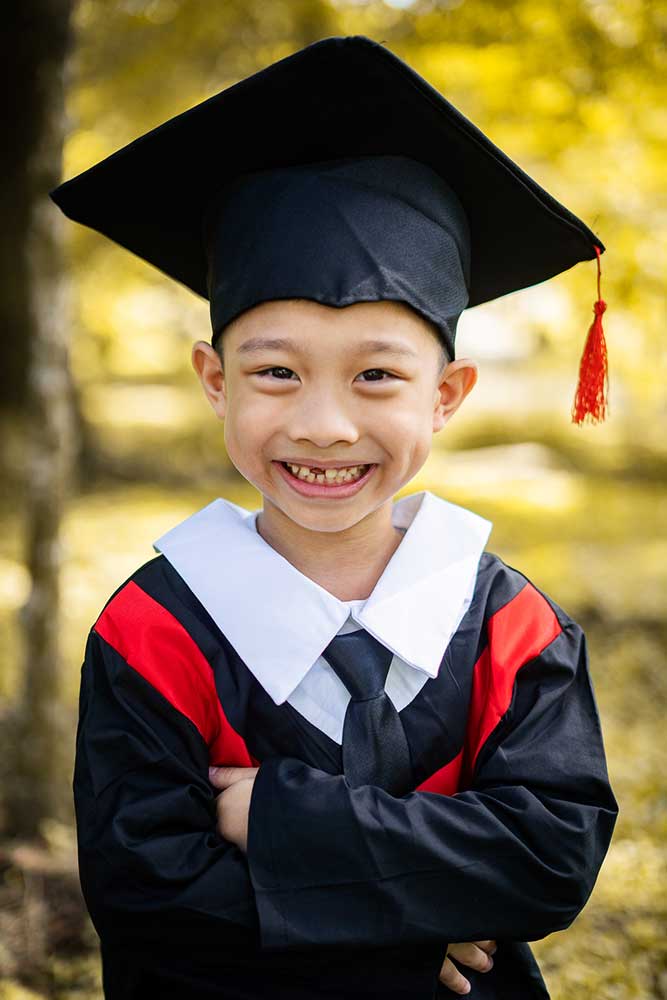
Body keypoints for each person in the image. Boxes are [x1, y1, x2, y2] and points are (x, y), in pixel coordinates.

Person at [51, 35, 618, 999]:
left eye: (377, 376)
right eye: (276, 372)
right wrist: (399, 940)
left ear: (446, 395)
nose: (323, 425)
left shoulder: (509, 623)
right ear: (212, 380)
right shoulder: (154, 630)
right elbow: (144, 887)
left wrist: (276, 819)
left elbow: (549, 858)